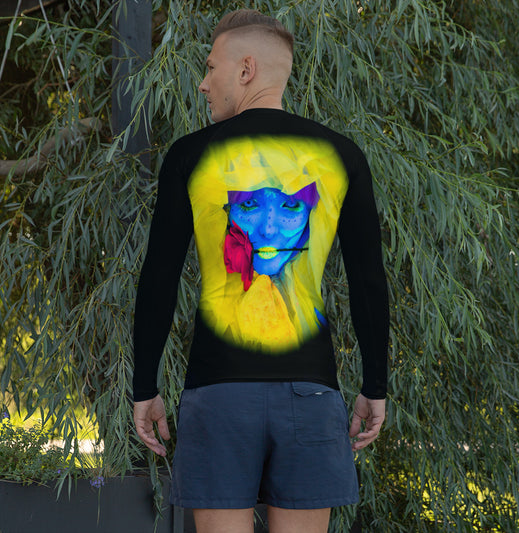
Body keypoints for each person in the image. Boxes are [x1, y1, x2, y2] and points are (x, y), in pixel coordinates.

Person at [132, 9, 389, 533]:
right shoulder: (341, 156)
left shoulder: (190, 155)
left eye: (211, 68)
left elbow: (159, 277)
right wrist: (374, 385)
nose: (203, 84)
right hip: (311, 394)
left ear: (246, 69)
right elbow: (368, 281)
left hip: (218, 395)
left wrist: (144, 386)